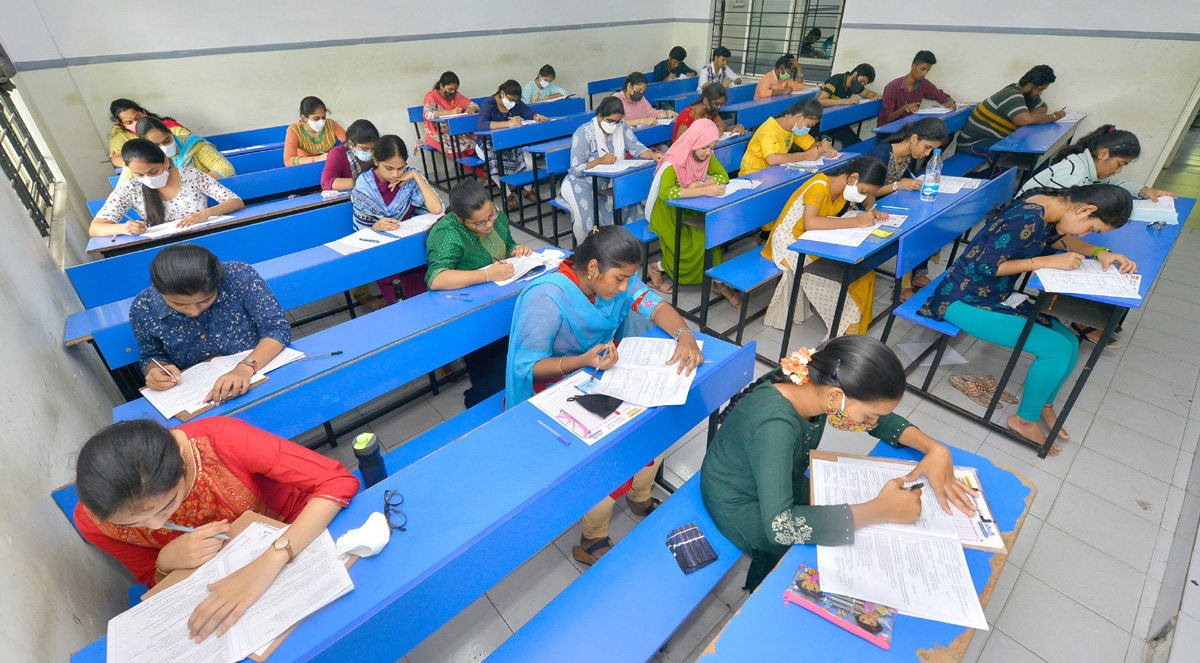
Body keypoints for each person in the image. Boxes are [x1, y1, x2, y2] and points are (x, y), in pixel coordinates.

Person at [699, 335, 975, 591]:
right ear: (835, 396)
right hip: (738, 502)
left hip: (778, 480)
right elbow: (781, 527)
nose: (873, 422)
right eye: (869, 416)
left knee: (846, 524)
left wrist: (934, 448)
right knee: (828, 558)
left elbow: (877, 415)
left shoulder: (814, 381)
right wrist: (882, 509)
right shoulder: (775, 426)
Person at [506, 226, 704, 564]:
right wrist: (583, 361)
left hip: (600, 370)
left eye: (629, 279)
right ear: (594, 268)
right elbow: (528, 368)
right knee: (611, 449)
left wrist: (685, 335)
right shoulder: (546, 298)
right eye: (620, 279)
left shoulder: (614, 277)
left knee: (655, 418)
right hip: (553, 384)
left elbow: (655, 306)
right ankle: (592, 537)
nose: (625, 287)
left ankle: (640, 495)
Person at [74, 416, 357, 640]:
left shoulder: (223, 440)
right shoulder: (95, 523)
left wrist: (269, 561)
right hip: (226, 581)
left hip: (301, 531)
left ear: (181, 459)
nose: (156, 525)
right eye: (133, 523)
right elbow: (153, 578)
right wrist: (166, 560)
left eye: (167, 505)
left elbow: (336, 482)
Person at [919, 184, 1135, 454]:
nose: (1084, 234)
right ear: (1084, 209)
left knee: (1070, 341)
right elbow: (987, 266)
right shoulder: (1028, 217)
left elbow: (1055, 240)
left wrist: (1099, 252)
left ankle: (1043, 404)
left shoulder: (1051, 207)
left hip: (993, 295)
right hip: (961, 299)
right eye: (1091, 228)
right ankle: (1024, 420)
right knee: (1056, 349)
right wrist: (1047, 262)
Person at [1017, 125, 1176, 348]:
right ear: (1103, 154)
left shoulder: (1086, 166)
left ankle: (1093, 314)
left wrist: (1143, 190)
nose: (1119, 171)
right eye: (1120, 164)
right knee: (1085, 258)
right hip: (1027, 233)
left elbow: (1109, 184)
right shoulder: (1073, 175)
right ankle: (1082, 319)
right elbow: (1055, 228)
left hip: (1048, 230)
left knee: (1104, 250)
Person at [129, 244, 291, 404]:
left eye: (205, 300)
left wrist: (245, 367)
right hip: (200, 394)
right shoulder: (144, 306)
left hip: (262, 369)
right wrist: (156, 371)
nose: (194, 311)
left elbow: (277, 329)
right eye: (179, 304)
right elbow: (152, 355)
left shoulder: (238, 276)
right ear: (160, 291)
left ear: (217, 284)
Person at [426, 180, 532, 407]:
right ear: (460, 219)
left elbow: (507, 244)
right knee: (493, 378)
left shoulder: (495, 215)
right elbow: (436, 279)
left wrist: (515, 250)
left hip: (503, 297)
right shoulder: (447, 232)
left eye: (491, 216)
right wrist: (486, 275)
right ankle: (481, 400)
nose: (489, 224)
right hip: (472, 309)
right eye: (480, 223)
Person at [762, 157, 888, 337]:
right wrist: (856, 221)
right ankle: (848, 334)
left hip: (814, 239)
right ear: (853, 178)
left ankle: (853, 328)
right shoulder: (819, 186)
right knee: (831, 279)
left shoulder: (845, 188)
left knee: (863, 271)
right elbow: (810, 223)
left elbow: (869, 197)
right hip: (789, 241)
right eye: (863, 191)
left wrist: (871, 210)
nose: (863, 196)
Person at [644, 119, 740, 306]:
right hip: (667, 212)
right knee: (687, 247)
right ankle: (655, 267)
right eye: (704, 147)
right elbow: (666, 193)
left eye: (712, 147)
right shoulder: (674, 160)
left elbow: (723, 176)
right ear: (694, 142)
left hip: (690, 207)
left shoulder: (706, 156)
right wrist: (704, 190)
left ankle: (718, 283)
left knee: (709, 238)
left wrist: (700, 183)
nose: (708, 152)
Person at [862, 118, 950, 300]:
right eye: (927, 147)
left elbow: (895, 181)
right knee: (913, 228)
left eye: (932, 150)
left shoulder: (908, 155)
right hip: (866, 206)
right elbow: (864, 192)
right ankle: (903, 286)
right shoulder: (880, 154)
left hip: (886, 202)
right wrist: (899, 185)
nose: (927, 154)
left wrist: (905, 183)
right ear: (914, 138)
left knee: (929, 220)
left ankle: (918, 273)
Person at [351, 135, 443, 305]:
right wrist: (375, 227)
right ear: (376, 161)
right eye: (389, 168)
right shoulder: (364, 187)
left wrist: (415, 175)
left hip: (416, 251)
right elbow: (360, 233)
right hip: (387, 259)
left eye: (401, 168)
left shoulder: (409, 178)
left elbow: (437, 209)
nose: (395, 174)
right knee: (411, 306)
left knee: (437, 298)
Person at [557, 97, 663, 241]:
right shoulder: (583, 133)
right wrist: (599, 161)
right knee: (585, 220)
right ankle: (586, 248)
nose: (615, 125)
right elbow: (575, 169)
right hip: (581, 183)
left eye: (618, 121)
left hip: (608, 181)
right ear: (600, 116)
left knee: (629, 205)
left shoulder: (622, 126)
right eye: (611, 121)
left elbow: (635, 146)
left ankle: (619, 244)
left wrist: (652, 155)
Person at [90, 139, 245, 237]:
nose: (148, 178)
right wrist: (123, 228)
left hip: (205, 235)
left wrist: (206, 213)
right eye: (139, 174)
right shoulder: (130, 188)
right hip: (164, 248)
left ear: (165, 162)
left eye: (153, 171)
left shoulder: (190, 175)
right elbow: (95, 228)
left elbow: (235, 201)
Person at [955, 65, 1065, 170]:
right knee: (1010, 160)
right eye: (1040, 89)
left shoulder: (1027, 95)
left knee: (1039, 156)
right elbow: (1024, 120)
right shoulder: (1012, 94)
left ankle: (1035, 183)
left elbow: (1042, 107)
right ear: (1030, 86)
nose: (1040, 93)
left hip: (996, 140)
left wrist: (1030, 118)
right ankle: (989, 182)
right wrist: (1055, 116)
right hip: (975, 142)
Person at [477, 79, 549, 209]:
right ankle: (508, 195)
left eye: (516, 100)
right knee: (494, 163)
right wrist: (508, 123)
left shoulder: (516, 103)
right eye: (510, 99)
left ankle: (527, 190)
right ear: (502, 93)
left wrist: (537, 116)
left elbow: (528, 112)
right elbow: (482, 125)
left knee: (529, 159)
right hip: (488, 143)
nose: (513, 103)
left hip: (511, 141)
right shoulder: (489, 104)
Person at [740, 98, 837, 176]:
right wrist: (804, 156)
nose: (808, 129)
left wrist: (825, 143)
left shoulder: (793, 128)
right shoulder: (769, 128)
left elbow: (811, 145)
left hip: (774, 172)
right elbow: (771, 159)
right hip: (753, 174)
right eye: (809, 125)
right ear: (799, 117)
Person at [123, 116, 234, 181]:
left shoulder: (192, 144)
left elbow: (226, 169)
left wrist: (193, 184)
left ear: (170, 133)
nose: (163, 147)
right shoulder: (139, 157)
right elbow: (123, 188)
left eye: (167, 140)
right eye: (156, 145)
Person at [423, 71, 483, 176]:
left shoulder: (456, 96)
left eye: (455, 90)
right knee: (455, 151)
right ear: (441, 86)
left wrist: (472, 108)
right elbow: (428, 114)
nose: (453, 92)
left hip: (455, 131)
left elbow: (473, 105)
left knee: (473, 145)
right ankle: (483, 175)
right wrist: (450, 112)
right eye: (450, 89)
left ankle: (484, 174)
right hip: (437, 133)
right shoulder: (432, 96)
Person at [877, 51, 957, 126]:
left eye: (928, 70)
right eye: (922, 69)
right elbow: (888, 118)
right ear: (913, 66)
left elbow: (940, 95)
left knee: (944, 127)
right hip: (889, 130)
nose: (925, 73)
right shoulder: (892, 87)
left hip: (909, 127)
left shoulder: (923, 84)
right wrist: (904, 108)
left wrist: (949, 102)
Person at [107, 98, 189, 168]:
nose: (135, 123)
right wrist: (144, 162)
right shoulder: (120, 133)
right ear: (122, 124)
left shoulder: (169, 126)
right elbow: (116, 158)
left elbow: (190, 142)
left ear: (143, 112)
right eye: (129, 122)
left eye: (137, 118)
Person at [817, 64, 880, 148]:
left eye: (864, 84)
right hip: (819, 120)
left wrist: (877, 96)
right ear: (855, 74)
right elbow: (821, 101)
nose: (861, 85)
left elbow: (867, 93)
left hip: (834, 119)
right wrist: (846, 101)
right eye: (861, 81)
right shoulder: (837, 80)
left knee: (856, 142)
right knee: (849, 139)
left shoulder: (854, 85)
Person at [283, 96, 346, 166]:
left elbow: (348, 141)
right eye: (316, 118)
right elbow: (288, 161)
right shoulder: (295, 130)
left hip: (330, 162)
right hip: (306, 166)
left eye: (323, 117)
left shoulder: (331, 124)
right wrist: (318, 159)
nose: (322, 122)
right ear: (304, 118)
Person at [673, 83, 745, 142]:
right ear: (705, 101)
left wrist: (737, 127)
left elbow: (724, 128)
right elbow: (680, 142)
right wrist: (711, 133)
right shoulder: (687, 116)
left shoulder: (709, 111)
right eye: (717, 104)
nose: (719, 107)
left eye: (721, 105)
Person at [321, 119, 380, 191]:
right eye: (365, 149)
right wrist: (363, 182)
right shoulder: (338, 153)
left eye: (373, 149)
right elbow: (327, 183)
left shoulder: (379, 151)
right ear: (351, 144)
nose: (370, 152)